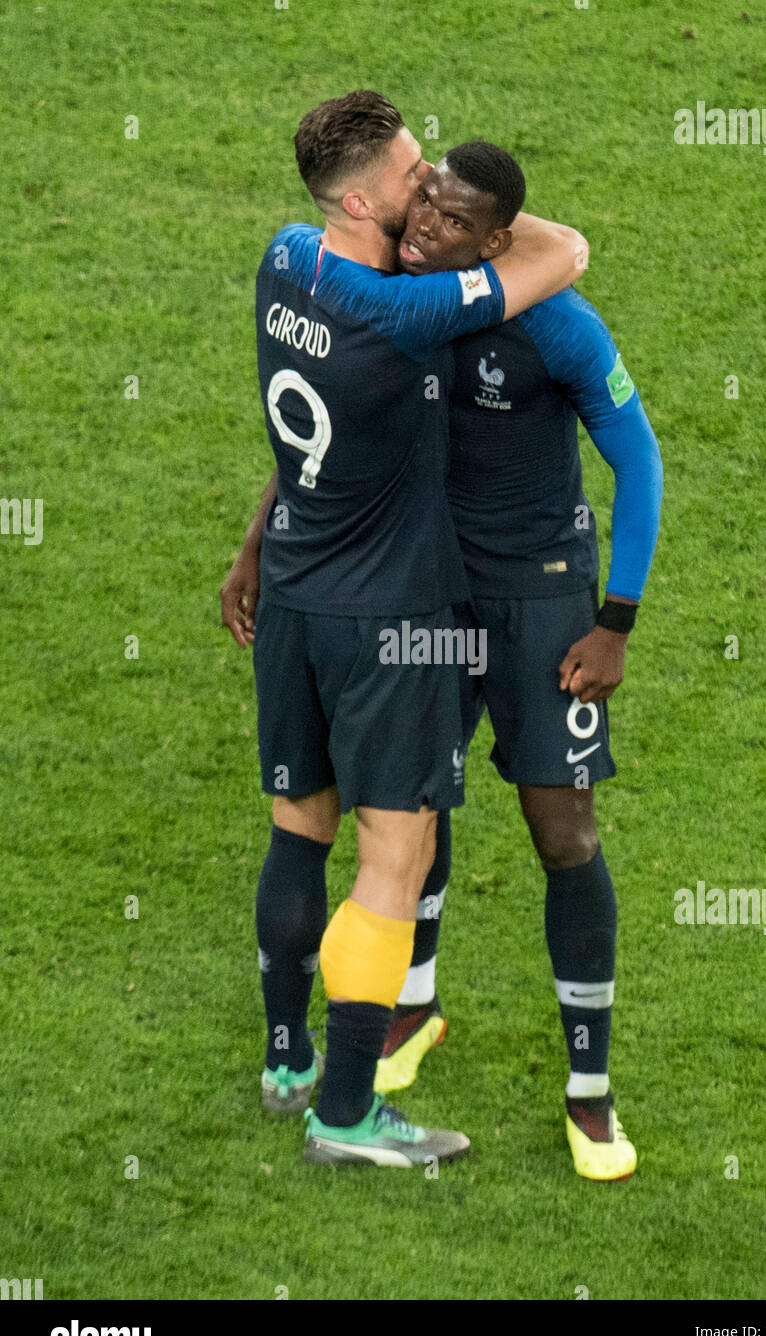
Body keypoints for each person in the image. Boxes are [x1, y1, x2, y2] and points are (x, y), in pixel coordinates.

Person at [220, 94, 588, 1167]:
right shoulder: (410, 315)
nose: (426, 187)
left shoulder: (283, 258)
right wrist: (490, 226)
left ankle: (285, 1059)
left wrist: (248, 549)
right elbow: (563, 251)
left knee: (298, 824)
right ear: (358, 196)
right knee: (396, 850)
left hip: (293, 593)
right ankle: (345, 1111)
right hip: (387, 623)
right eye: (412, 174)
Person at [372, 143, 663, 1182]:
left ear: (498, 243)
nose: (421, 233)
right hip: (430, 593)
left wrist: (612, 622)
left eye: (450, 223)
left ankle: (590, 1095)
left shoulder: (556, 326)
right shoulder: (396, 290)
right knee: (413, 802)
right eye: (422, 208)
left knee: (561, 829)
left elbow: (638, 460)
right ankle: (413, 1006)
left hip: (542, 598)